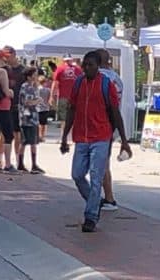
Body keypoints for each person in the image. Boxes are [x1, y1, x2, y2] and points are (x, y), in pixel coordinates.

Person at [61, 51, 131, 233]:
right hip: (81, 137)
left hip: (101, 136)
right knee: (77, 174)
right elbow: (71, 110)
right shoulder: (78, 83)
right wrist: (64, 136)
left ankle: (91, 216)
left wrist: (124, 140)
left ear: (98, 66)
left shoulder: (107, 84)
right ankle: (96, 201)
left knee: (96, 176)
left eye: (90, 65)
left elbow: (115, 112)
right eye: (84, 65)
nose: (86, 68)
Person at [96, 48, 125, 212]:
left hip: (100, 124)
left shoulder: (100, 78)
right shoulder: (117, 79)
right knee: (102, 161)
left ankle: (108, 198)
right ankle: (105, 196)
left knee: (100, 163)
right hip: (112, 124)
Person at [18, 67, 44, 174]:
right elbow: (27, 102)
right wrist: (38, 101)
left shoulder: (33, 86)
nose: (36, 76)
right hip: (27, 118)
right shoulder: (27, 87)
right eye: (34, 74)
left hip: (33, 117)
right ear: (29, 76)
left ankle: (31, 164)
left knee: (32, 141)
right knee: (27, 141)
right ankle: (25, 164)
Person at [52, 55, 82, 145]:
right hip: (74, 97)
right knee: (72, 118)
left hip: (65, 97)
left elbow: (55, 83)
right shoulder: (77, 69)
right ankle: (70, 138)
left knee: (64, 119)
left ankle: (64, 138)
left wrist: (52, 95)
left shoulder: (60, 69)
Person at [3, 45, 25, 165]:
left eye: (8, 56)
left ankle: (18, 160)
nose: (6, 59)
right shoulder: (4, 69)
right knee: (4, 134)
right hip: (5, 106)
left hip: (18, 106)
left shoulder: (22, 70)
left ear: (14, 54)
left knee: (18, 135)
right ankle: (1, 159)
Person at [37, 74, 51, 142]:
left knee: (39, 123)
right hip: (45, 108)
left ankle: (39, 136)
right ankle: (42, 136)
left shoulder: (37, 89)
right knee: (44, 124)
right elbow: (49, 99)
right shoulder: (48, 90)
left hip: (38, 108)